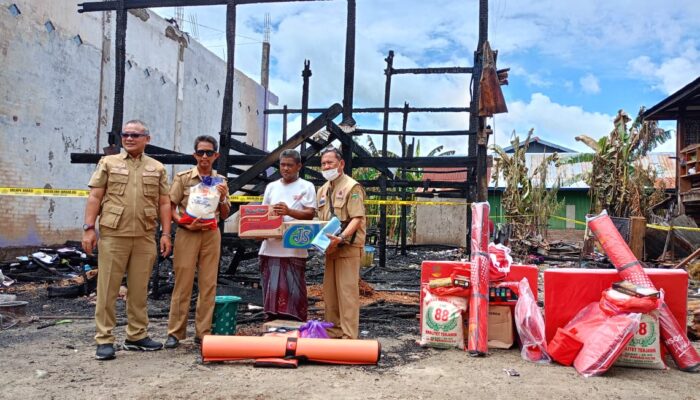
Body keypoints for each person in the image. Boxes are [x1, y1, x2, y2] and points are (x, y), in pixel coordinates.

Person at [82, 120, 172, 361]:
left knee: (139, 289)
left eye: (135, 135)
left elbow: (164, 202)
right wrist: (89, 228)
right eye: (126, 135)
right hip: (113, 235)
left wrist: (165, 233)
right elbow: (95, 196)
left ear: (147, 139)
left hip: (144, 235)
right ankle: (104, 339)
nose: (129, 138)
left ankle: (137, 335)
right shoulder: (108, 163)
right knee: (108, 289)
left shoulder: (157, 168)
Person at [164, 136, 230, 348]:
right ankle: (175, 332)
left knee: (208, 284)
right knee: (182, 282)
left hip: (211, 234)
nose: (204, 156)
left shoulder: (221, 181)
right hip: (187, 232)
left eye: (209, 153)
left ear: (215, 156)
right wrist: (182, 224)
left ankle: (203, 332)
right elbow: (169, 207)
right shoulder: (183, 179)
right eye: (200, 152)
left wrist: (222, 197)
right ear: (194, 155)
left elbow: (226, 213)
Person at [258, 149, 316, 321]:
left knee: (294, 288)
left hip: (294, 247)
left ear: (299, 166)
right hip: (270, 247)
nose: (285, 168)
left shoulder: (307, 186)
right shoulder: (271, 187)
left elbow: (310, 214)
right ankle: (272, 322)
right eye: (282, 165)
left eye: (290, 165)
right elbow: (264, 213)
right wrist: (257, 230)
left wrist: (289, 211)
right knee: (271, 288)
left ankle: (295, 322)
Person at [316, 145, 366, 339]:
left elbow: (357, 218)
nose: (326, 166)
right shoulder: (322, 190)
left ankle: (348, 336)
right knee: (330, 294)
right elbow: (318, 219)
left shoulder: (352, 187)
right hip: (330, 248)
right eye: (323, 164)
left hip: (347, 246)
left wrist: (342, 237)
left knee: (347, 294)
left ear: (341, 164)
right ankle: (334, 330)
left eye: (330, 163)